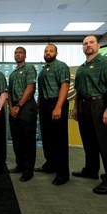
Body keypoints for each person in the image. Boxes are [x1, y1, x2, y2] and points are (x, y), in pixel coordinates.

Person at [72, 35, 107, 194]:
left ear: (98, 45)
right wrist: (76, 108)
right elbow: (78, 90)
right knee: (88, 140)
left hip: (99, 104)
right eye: (85, 43)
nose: (88, 45)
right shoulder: (82, 67)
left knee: (103, 143)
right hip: (84, 105)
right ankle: (91, 170)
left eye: (91, 42)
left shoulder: (104, 62)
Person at [35, 44, 70, 185]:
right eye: (46, 51)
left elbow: (65, 85)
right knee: (47, 138)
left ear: (56, 52)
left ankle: (63, 174)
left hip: (56, 103)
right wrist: (38, 105)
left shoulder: (61, 66)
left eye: (51, 51)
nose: (48, 53)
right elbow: (43, 89)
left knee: (59, 140)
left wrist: (58, 107)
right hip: (44, 104)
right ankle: (50, 165)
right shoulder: (43, 69)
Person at [8, 47, 37, 182]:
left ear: (25, 55)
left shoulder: (29, 68)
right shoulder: (13, 73)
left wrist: (19, 106)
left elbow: (30, 88)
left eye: (20, 52)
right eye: (15, 53)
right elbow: (8, 92)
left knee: (28, 140)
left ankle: (28, 170)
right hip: (14, 107)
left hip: (26, 106)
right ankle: (20, 165)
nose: (17, 54)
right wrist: (11, 107)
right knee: (17, 139)